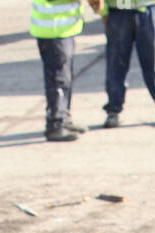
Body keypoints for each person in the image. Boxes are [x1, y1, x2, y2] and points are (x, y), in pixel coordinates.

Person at [31, 0, 103, 143]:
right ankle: (56, 124)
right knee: (58, 79)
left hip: (62, 28)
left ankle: (64, 118)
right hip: (52, 29)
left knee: (65, 77)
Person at [102, 2, 155, 128]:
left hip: (147, 7)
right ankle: (113, 111)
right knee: (116, 63)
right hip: (118, 10)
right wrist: (101, 11)